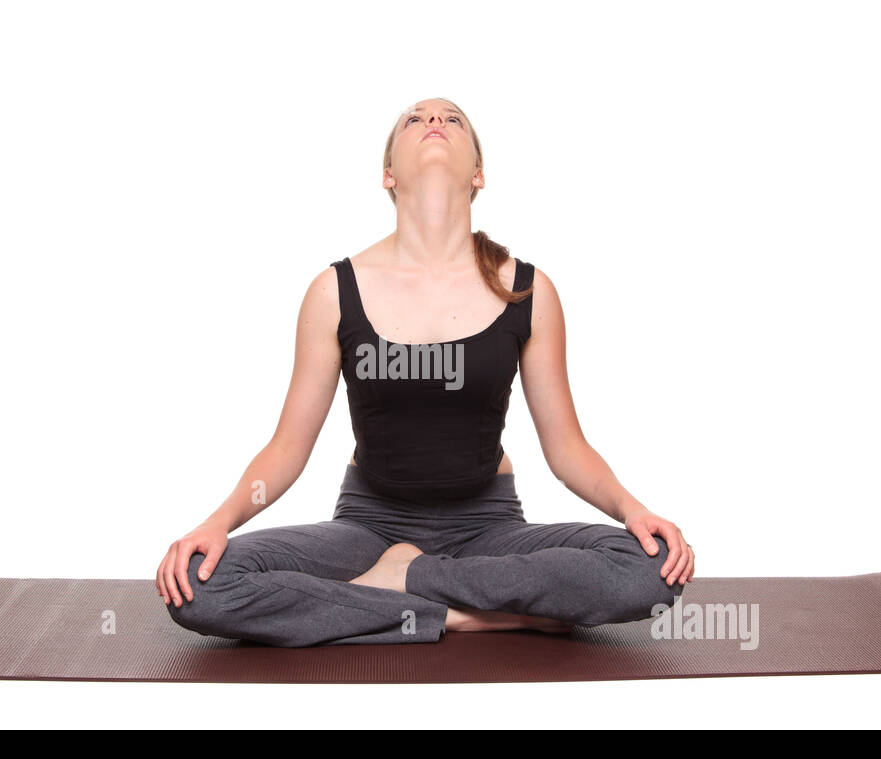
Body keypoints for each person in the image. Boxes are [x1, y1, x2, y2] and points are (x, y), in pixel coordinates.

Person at [156, 98, 694, 647]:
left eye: (452, 119)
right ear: (388, 174)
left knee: (646, 569)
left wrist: (634, 509)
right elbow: (286, 450)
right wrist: (215, 524)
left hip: (489, 528)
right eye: (415, 119)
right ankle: (470, 613)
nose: (434, 121)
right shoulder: (333, 292)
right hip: (367, 528)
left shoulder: (529, 290)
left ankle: (405, 585)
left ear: (478, 174)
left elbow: (568, 450)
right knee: (203, 585)